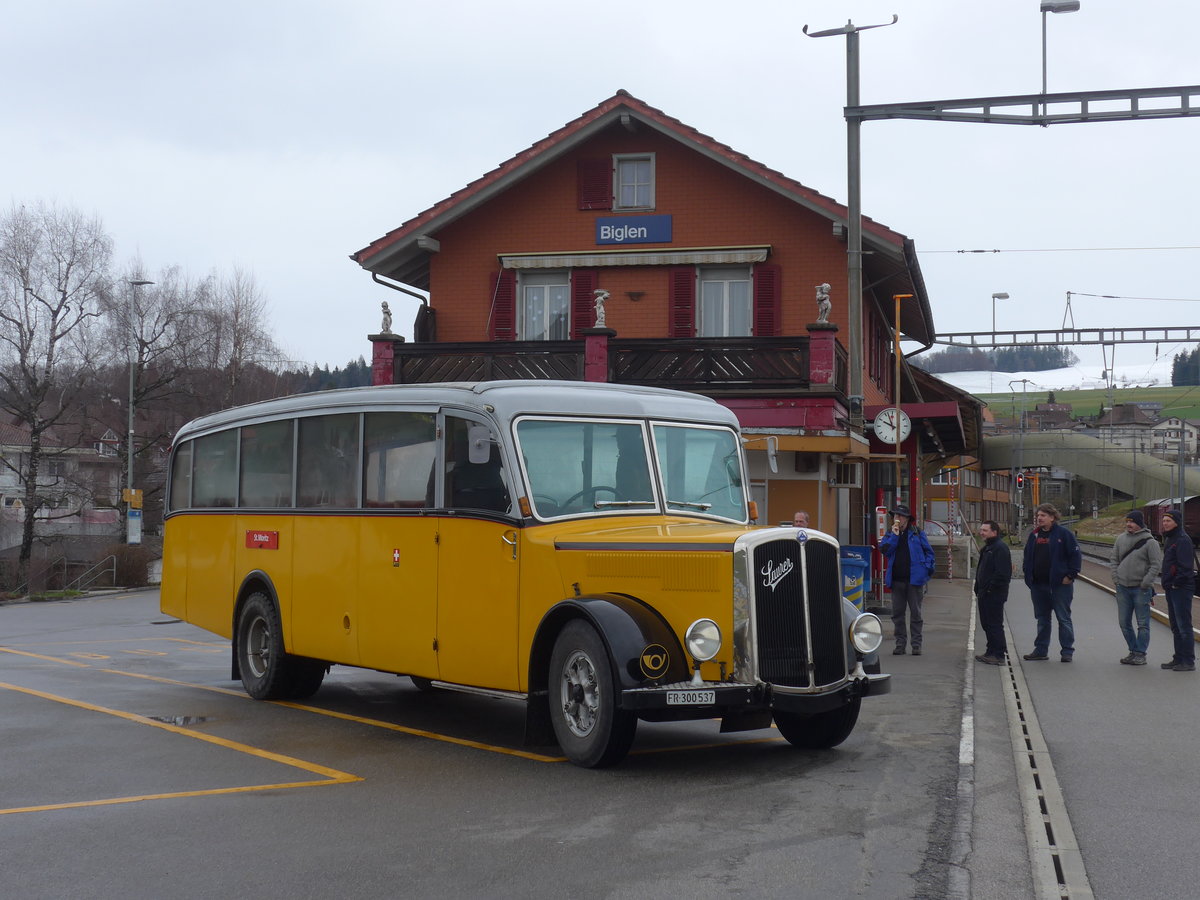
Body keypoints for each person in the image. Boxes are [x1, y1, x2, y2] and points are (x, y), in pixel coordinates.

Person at [1022, 503, 1082, 662]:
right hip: (1038, 585)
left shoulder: (1064, 534)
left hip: (1060, 586)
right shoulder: (1034, 535)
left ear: (1052, 517)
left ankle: (1067, 651)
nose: (1039, 518)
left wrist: (1070, 575)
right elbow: (1027, 555)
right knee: (1042, 619)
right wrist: (1028, 575)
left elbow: (1075, 556)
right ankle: (1041, 650)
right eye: (1038, 515)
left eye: (1043, 515)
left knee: (1063, 618)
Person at [879, 504, 936, 655]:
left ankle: (916, 645)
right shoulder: (891, 534)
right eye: (895, 516)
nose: (897, 518)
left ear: (907, 519)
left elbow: (929, 553)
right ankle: (900, 644)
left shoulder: (917, 533)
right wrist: (894, 536)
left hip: (914, 580)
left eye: (900, 516)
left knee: (916, 613)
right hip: (897, 580)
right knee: (897, 614)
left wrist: (926, 571)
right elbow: (885, 550)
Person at [1109, 510, 1162, 666]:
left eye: (1132, 522)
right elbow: (1114, 559)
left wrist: (1146, 583)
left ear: (1139, 523)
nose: (1128, 524)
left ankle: (1140, 653)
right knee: (1124, 623)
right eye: (1127, 522)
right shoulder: (1120, 539)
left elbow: (1155, 565)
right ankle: (1133, 650)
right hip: (1122, 588)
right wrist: (1116, 579)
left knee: (1143, 624)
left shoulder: (1150, 542)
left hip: (1141, 589)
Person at [1159, 509, 1195, 672]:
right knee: (1175, 625)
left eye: (1168, 521)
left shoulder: (1182, 539)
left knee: (1183, 625)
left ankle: (1188, 660)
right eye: (1164, 520)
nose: (1165, 523)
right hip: (1171, 587)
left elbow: (1185, 567)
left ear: (1176, 522)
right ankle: (1178, 657)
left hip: (1181, 588)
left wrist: (1175, 583)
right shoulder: (1170, 538)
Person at [974, 520, 1012, 665]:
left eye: (985, 530)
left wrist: (990, 588)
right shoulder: (988, 548)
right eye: (981, 530)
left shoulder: (999, 548)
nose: (981, 532)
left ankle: (999, 654)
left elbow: (1002, 573)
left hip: (994, 594)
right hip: (984, 593)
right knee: (987, 623)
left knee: (994, 623)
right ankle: (990, 651)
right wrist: (978, 587)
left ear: (994, 532)